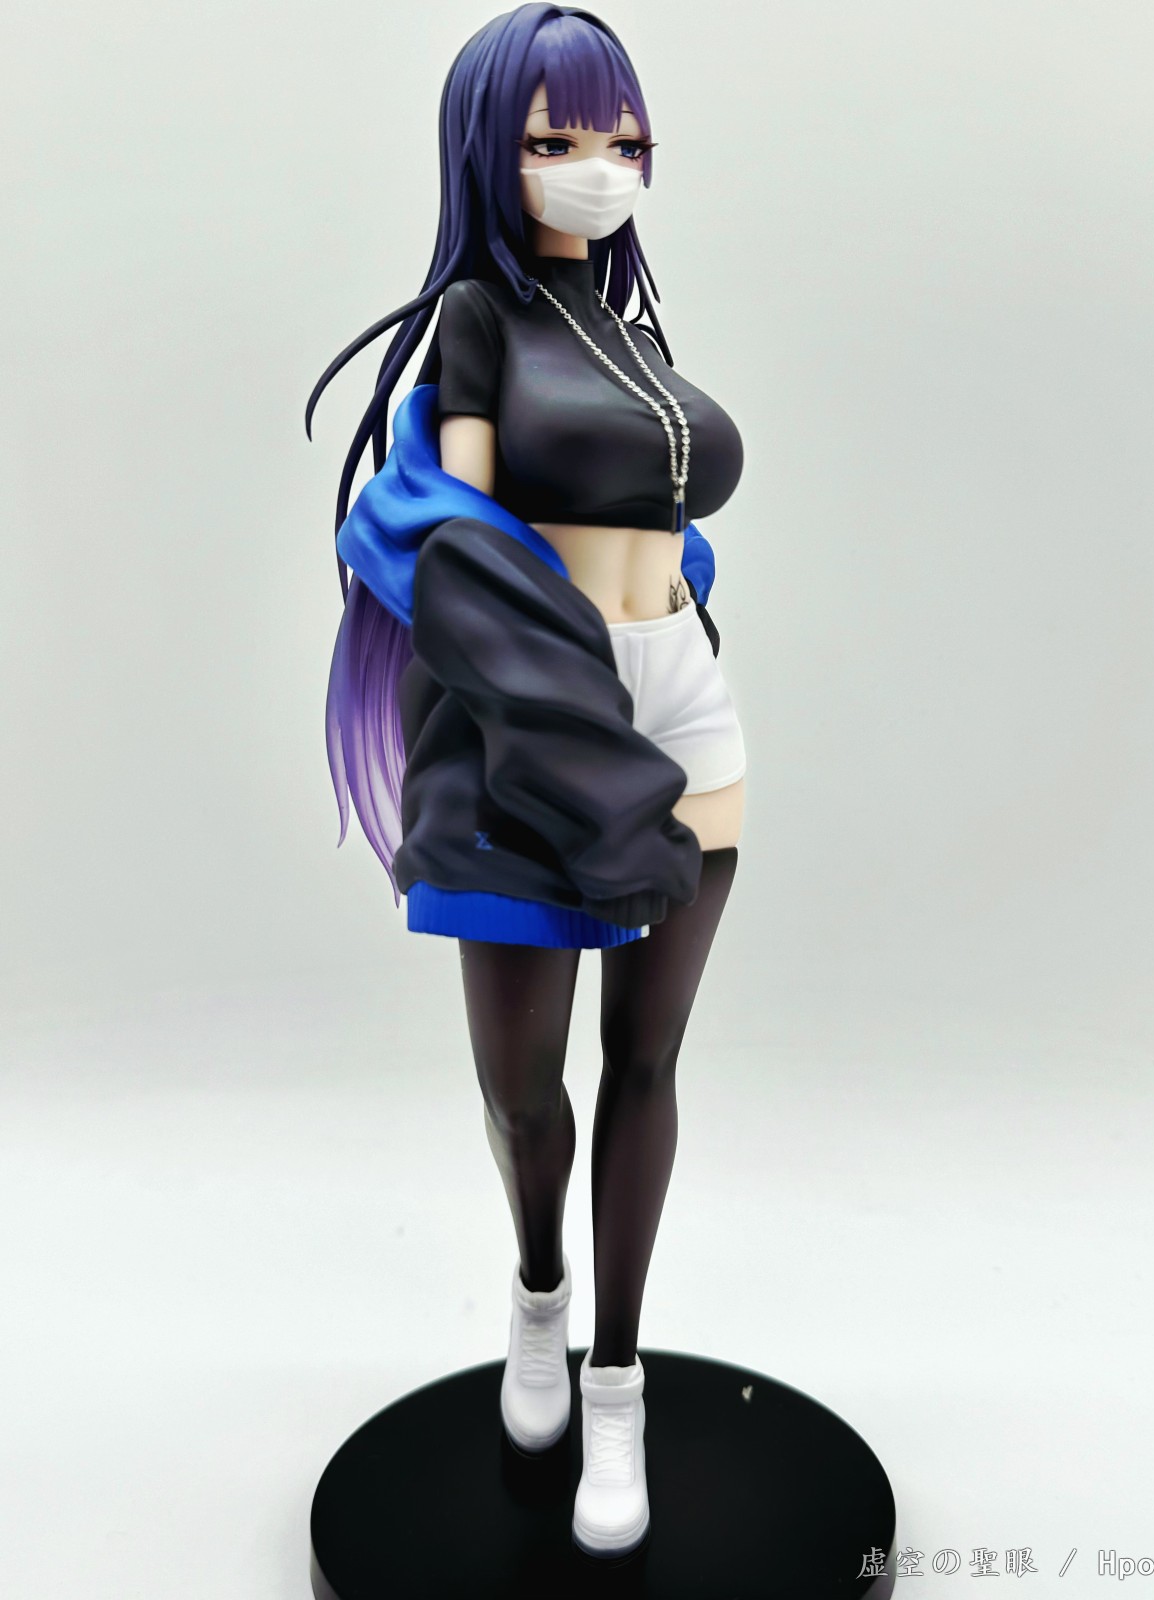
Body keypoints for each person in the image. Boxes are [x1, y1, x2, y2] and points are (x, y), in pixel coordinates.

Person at [306, 3, 747, 1558]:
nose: (597, 164)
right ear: (491, 151)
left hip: (684, 703)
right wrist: (555, 716)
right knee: (523, 1089)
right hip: (542, 715)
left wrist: (675, 611)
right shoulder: (478, 323)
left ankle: (618, 1384)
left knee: (649, 1063)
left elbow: (667, 525)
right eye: (557, 138)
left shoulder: (641, 340)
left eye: (622, 137)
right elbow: (468, 548)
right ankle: (540, 1293)